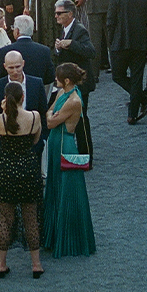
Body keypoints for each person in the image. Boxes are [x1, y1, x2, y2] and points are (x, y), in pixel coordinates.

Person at [0, 74, 45, 279]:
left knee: (5, 218)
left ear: (5, 99)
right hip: (28, 169)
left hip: (7, 170)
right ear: (23, 97)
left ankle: (1, 264)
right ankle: (36, 264)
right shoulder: (34, 117)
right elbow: (36, 140)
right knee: (31, 217)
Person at [41, 63, 96, 257]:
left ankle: (69, 238)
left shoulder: (73, 100)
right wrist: (51, 114)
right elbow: (49, 112)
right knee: (56, 187)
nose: (55, 80)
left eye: (57, 77)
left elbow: (50, 122)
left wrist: (51, 115)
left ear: (66, 80)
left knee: (67, 191)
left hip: (64, 145)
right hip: (57, 143)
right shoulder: (63, 93)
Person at [0, 13, 55, 81]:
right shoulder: (45, 51)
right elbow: (50, 77)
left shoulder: (5, 51)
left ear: (17, 31)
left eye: (13, 28)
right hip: (36, 87)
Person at [52, 0, 96, 80]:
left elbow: (91, 52)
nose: (56, 16)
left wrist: (71, 43)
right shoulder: (63, 28)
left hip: (79, 79)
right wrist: (58, 48)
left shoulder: (79, 30)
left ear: (70, 14)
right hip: (68, 78)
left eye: (59, 13)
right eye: (55, 13)